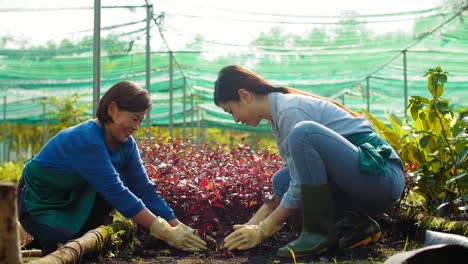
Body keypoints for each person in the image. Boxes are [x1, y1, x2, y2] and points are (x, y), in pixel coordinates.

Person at [213, 65, 405, 258]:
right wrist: (251, 225)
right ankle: (357, 225)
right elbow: (297, 177)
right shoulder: (278, 117)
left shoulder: (290, 110)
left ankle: (317, 234)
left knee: (304, 133)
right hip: (362, 180)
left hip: (381, 176)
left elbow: (299, 185)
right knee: (281, 181)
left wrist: (263, 230)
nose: (235, 119)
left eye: (231, 111)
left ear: (245, 95)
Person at [17, 81, 207, 255]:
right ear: (113, 109)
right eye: (134, 119)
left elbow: (144, 190)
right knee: (62, 247)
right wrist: (165, 232)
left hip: (76, 199)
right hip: (41, 204)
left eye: (141, 120)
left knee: (84, 247)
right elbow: (116, 191)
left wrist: (179, 227)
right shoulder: (86, 139)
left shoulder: (126, 145)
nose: (137, 126)